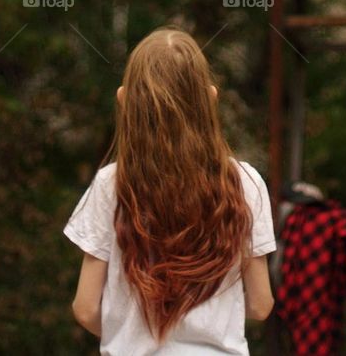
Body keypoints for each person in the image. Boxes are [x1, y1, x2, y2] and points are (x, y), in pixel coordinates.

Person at [64, 26, 276, 354]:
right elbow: (261, 305)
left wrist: (130, 336)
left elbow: (86, 308)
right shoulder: (245, 182)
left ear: (123, 99)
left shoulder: (111, 184)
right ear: (211, 98)